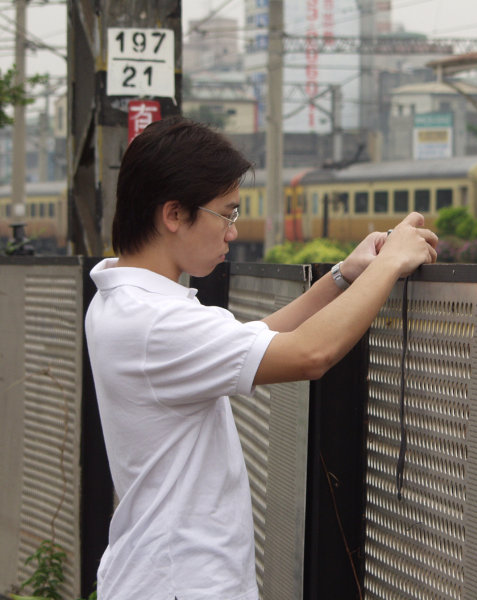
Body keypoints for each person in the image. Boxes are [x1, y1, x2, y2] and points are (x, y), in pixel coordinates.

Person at [84, 117, 438, 600]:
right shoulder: (154, 322)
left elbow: (255, 338)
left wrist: (343, 275)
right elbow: (311, 354)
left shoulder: (122, 300)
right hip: (182, 582)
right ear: (174, 214)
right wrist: (392, 262)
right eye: (226, 213)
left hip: (160, 573)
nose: (232, 232)